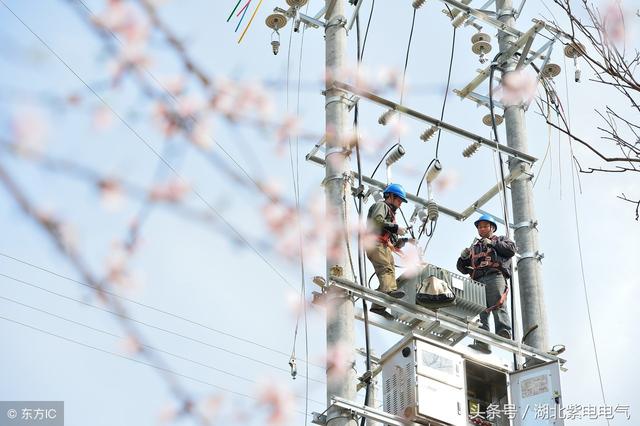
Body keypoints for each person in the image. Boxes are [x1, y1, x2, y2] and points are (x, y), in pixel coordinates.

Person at [457, 214, 516, 353]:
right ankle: (482, 342)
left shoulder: (500, 240)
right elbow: (462, 269)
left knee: (498, 304)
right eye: (480, 227)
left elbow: (511, 250)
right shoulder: (475, 246)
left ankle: (503, 331)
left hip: (494, 275)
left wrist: (493, 244)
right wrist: (463, 258)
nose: (482, 229)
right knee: (480, 311)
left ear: (492, 228)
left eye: (485, 226)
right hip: (478, 280)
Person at [366, 183, 409, 319]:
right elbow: (377, 221)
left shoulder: (390, 213)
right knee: (386, 269)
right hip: (375, 243)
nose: (400, 203)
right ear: (390, 196)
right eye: (399, 200)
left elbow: (394, 241)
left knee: (389, 272)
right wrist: (395, 228)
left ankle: (378, 306)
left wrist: (407, 240)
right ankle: (389, 292)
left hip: (382, 245)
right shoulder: (382, 206)